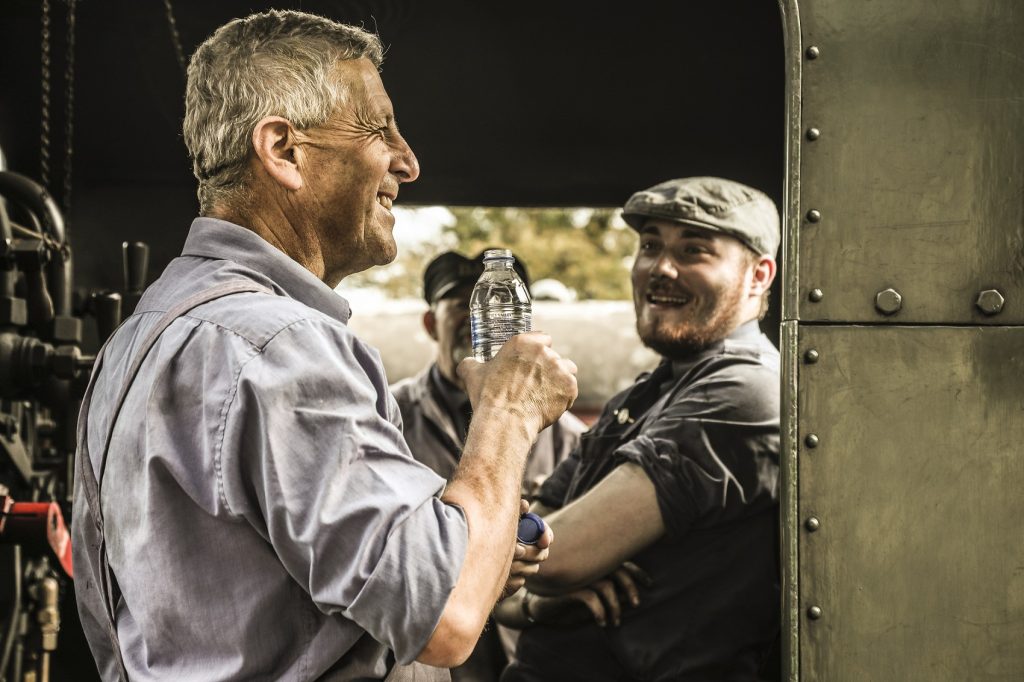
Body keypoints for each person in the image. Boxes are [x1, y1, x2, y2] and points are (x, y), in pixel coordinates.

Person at [71, 10, 577, 681]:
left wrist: (456, 541)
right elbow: (448, 618)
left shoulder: (140, 338)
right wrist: (508, 411)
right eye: (378, 128)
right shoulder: (281, 345)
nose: (408, 160)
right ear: (282, 150)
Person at [495, 176, 781, 681]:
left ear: (758, 276)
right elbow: (503, 584)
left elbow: (546, 557)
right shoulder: (644, 396)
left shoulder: (743, 393)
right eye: (650, 245)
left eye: (694, 250)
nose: (661, 268)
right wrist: (540, 602)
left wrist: (507, 416)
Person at [392, 250, 587, 681]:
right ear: (430, 322)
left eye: (502, 304)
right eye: (460, 304)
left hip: (530, 661)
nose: (479, 316)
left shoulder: (567, 433)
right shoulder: (388, 417)